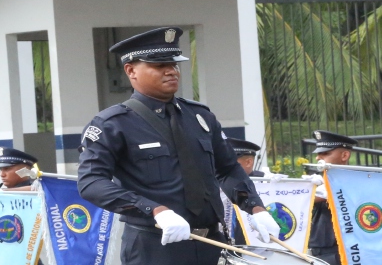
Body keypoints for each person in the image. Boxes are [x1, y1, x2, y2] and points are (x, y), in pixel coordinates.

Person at [77, 27, 280, 265]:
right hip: (155, 245)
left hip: (212, 243)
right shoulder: (113, 124)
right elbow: (91, 183)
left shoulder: (199, 117)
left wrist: (255, 208)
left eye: (173, 65)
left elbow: (227, 169)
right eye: (159, 66)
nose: (171, 71)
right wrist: (154, 210)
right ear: (131, 70)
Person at [307, 130, 357, 265]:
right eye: (318, 153)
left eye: (325, 153)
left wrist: (302, 192)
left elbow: (308, 199)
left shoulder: (353, 179)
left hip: (340, 252)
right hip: (318, 250)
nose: (318, 158)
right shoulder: (321, 180)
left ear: (345, 155)